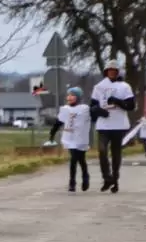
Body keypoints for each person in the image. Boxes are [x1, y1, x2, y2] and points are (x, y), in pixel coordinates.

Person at [90, 60, 135, 193]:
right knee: (102, 150)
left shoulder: (125, 87)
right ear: (106, 72)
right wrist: (99, 111)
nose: (111, 73)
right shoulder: (99, 87)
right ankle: (107, 177)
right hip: (103, 125)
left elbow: (131, 106)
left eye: (114, 71)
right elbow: (92, 106)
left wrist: (117, 101)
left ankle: (115, 179)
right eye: (109, 70)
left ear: (117, 72)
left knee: (116, 153)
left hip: (119, 124)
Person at [49, 87, 99, 193]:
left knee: (81, 159)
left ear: (78, 97)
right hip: (69, 138)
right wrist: (52, 134)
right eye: (68, 95)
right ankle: (72, 182)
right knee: (74, 159)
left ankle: (85, 176)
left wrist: (96, 109)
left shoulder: (85, 108)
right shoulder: (65, 109)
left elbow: (94, 117)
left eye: (72, 95)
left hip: (80, 138)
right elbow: (59, 122)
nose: (70, 97)